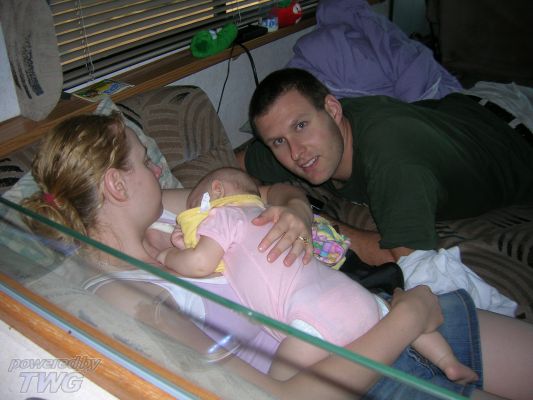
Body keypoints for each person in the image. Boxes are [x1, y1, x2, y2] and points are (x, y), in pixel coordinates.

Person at [20, 112, 533, 399]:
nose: (159, 170)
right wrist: (410, 317)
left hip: (370, 312)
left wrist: (296, 213)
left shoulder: (159, 217)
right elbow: (280, 398)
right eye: (145, 161)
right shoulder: (132, 300)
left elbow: (265, 190)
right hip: (366, 371)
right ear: (115, 184)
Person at [158, 166, 478, 383]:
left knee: (275, 383)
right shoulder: (263, 214)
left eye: (193, 207)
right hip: (354, 295)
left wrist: (168, 255)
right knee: (390, 312)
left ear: (215, 193)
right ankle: (447, 361)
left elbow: (200, 263)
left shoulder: (223, 215)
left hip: (311, 320)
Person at [238, 68, 533, 268]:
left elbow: (406, 258)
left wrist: (313, 222)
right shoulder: (303, 143)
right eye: (278, 141)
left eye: (301, 125)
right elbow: (231, 165)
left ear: (333, 109)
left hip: (518, 126)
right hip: (461, 109)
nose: (296, 152)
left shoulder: (393, 157)